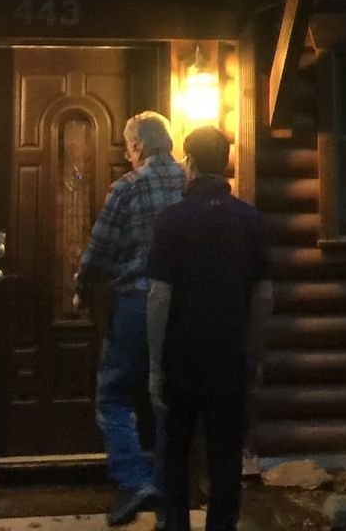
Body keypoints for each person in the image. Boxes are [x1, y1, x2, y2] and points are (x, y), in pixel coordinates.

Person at [146, 126, 272, 531]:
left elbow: (159, 297)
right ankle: (221, 525)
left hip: (181, 356)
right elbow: (264, 296)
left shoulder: (171, 220)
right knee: (225, 454)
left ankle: (176, 525)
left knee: (175, 450)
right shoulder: (250, 220)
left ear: (191, 163)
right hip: (230, 354)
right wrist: (256, 353)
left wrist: (153, 363)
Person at [75, 110, 186, 526]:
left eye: (128, 147)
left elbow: (100, 249)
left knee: (114, 393)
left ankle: (134, 480)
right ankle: (168, 496)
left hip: (137, 304)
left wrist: (82, 290)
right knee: (167, 398)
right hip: (183, 308)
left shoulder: (128, 187)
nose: (127, 155)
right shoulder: (189, 182)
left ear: (137, 147)